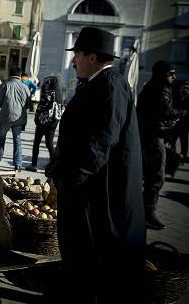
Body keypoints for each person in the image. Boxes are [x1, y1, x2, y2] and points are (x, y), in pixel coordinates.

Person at [45, 27, 145, 303]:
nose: (72, 61)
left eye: (76, 54)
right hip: (90, 190)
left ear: (91, 56)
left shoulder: (110, 84)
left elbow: (102, 140)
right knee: (84, 259)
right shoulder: (100, 83)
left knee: (93, 260)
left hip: (99, 193)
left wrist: (71, 178)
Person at [137, 60, 187, 230]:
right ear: (161, 74)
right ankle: (148, 213)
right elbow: (168, 112)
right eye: (171, 73)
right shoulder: (158, 90)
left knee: (153, 175)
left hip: (152, 135)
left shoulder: (157, 87)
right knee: (156, 177)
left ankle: (144, 211)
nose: (174, 76)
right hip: (153, 137)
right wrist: (183, 111)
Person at [0, 66, 31, 171]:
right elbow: (28, 105)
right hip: (19, 118)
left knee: (1, 138)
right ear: (20, 75)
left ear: (10, 74)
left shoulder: (5, 84)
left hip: (6, 117)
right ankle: (18, 164)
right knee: (17, 140)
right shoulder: (25, 87)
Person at [26, 76, 62, 172]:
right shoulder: (58, 94)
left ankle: (34, 165)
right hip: (53, 123)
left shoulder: (47, 92)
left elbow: (41, 106)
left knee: (37, 142)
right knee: (49, 143)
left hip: (43, 122)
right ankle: (54, 164)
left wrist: (36, 118)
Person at [169, 80, 189, 163]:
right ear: (180, 88)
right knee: (172, 141)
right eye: (184, 88)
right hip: (175, 124)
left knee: (184, 142)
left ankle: (183, 158)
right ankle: (172, 156)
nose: (185, 90)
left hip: (185, 125)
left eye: (187, 88)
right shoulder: (175, 97)